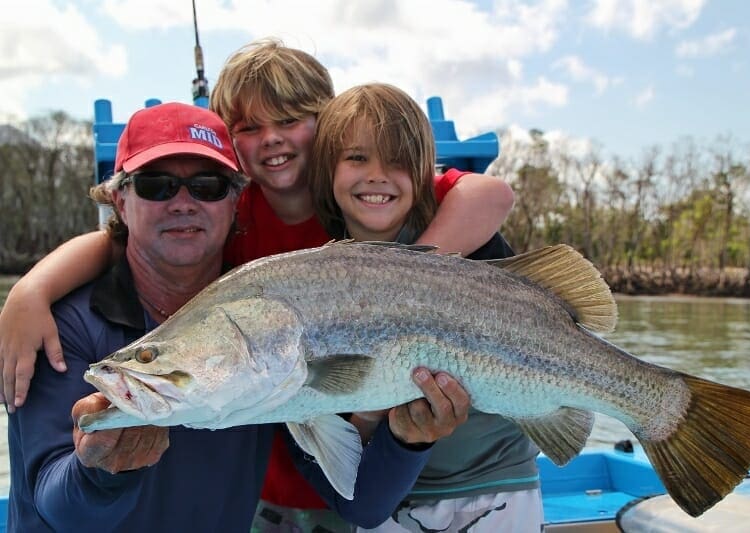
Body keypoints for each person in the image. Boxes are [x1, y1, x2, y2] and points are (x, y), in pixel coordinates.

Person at [0, 38, 512, 531]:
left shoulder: (361, 200)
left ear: (230, 200)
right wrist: (30, 291)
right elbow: (118, 243)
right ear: (120, 200)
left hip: (324, 435)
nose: (184, 204)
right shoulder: (231, 230)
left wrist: (411, 284)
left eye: (207, 186)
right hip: (273, 446)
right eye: (157, 187)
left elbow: (488, 194)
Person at [308, 83, 543, 532]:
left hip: (498, 483)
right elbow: (342, 435)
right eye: (356, 158)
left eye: (397, 161)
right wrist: (373, 409)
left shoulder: (473, 243)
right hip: (398, 499)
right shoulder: (313, 281)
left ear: (422, 174)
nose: (377, 175)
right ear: (326, 171)